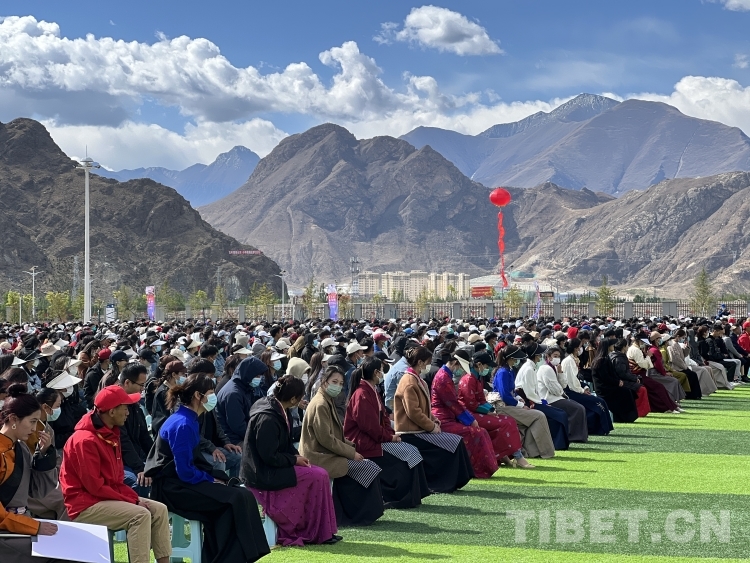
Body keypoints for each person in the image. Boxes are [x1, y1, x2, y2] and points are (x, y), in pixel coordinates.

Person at [145, 373, 270, 563]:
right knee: (234, 498)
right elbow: (185, 471)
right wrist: (210, 480)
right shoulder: (183, 423)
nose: (214, 396)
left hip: (182, 482)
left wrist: (213, 479)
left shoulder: (190, 419)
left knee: (241, 494)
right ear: (198, 395)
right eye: (211, 392)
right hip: (172, 488)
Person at [60, 386, 172, 563]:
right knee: (140, 515)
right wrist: (133, 501)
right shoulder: (84, 440)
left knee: (159, 510)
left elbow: (116, 480)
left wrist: (133, 499)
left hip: (103, 498)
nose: (128, 412)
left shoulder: (110, 433)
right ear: (112, 412)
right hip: (84, 505)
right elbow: (95, 487)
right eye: (125, 408)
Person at [243, 375, 339, 546]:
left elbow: (285, 445)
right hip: (263, 473)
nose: (302, 400)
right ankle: (312, 531)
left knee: (319, 474)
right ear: (293, 399)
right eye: (300, 397)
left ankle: (323, 531)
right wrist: (294, 460)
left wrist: (297, 457)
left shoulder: (279, 409)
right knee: (319, 476)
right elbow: (269, 456)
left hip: (272, 467)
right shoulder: (267, 418)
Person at [0, 384, 87, 563]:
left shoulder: (21, 447)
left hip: (20, 524)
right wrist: (34, 526)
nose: (35, 428)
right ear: (13, 419)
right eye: (32, 421)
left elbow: (37, 491)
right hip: (7, 532)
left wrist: (44, 455)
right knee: (65, 555)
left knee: (75, 547)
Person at [300, 366, 384, 526]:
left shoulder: (326, 400)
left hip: (327, 453)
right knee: (368, 468)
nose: (337, 386)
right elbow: (326, 439)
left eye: (340, 383)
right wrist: (351, 453)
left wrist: (352, 447)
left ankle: (359, 513)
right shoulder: (320, 404)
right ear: (324, 382)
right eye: (334, 382)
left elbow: (334, 437)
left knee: (369, 466)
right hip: (319, 457)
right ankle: (356, 515)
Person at [344, 357, 430, 508]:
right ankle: (399, 497)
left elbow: (383, 418)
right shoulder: (362, 394)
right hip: (363, 441)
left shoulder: (371, 390)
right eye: (381, 370)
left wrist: (391, 435)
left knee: (412, 451)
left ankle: (413, 496)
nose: (383, 373)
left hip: (374, 438)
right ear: (375, 372)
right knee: (406, 457)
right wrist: (389, 437)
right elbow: (369, 427)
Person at [393, 345, 473, 493]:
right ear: (420, 363)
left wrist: (434, 420)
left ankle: (453, 481)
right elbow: (414, 413)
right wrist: (431, 427)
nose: (429, 366)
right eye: (427, 362)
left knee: (456, 441)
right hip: (411, 432)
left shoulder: (417, 379)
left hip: (419, 429)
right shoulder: (409, 382)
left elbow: (424, 409)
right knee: (453, 443)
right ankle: (442, 483)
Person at [458, 351, 534, 468]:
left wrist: (491, 409)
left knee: (508, 421)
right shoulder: (469, 379)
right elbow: (471, 404)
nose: (488, 369)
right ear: (479, 364)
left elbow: (481, 399)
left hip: (476, 412)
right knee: (507, 423)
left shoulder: (477, 377)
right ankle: (518, 457)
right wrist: (488, 411)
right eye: (487, 366)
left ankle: (504, 456)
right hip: (469, 415)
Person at [491, 345, 556, 459]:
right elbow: (504, 395)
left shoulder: (509, 370)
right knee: (539, 416)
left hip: (509, 405)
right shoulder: (503, 372)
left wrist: (518, 398)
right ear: (511, 358)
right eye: (516, 358)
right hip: (503, 407)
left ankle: (530, 451)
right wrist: (521, 405)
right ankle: (545, 451)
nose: (518, 360)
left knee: (532, 419)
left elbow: (511, 391)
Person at [515, 344, 570, 450]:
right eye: (539, 354)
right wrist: (541, 403)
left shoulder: (531, 367)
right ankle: (557, 444)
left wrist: (542, 401)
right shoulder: (528, 369)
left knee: (560, 413)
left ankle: (557, 443)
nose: (541, 356)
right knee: (560, 414)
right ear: (535, 355)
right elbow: (529, 393)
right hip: (529, 402)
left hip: (534, 399)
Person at [23, 387, 67, 519]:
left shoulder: (47, 428)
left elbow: (56, 459)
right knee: (66, 501)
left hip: (49, 478)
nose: (59, 410)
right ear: (45, 407)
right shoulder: (26, 430)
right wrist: (43, 451)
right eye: (57, 406)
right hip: (31, 483)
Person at [215, 356, 268, 445]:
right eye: (257, 376)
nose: (259, 378)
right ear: (248, 374)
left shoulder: (244, 386)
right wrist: (258, 437)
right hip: (233, 439)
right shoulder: (233, 394)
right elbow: (238, 426)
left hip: (243, 433)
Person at [627, 338, 680, 413]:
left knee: (657, 388)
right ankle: (667, 407)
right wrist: (648, 356)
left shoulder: (636, 349)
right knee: (659, 387)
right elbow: (643, 364)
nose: (644, 344)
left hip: (641, 374)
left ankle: (671, 406)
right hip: (638, 375)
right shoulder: (636, 350)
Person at [608, 339, 650, 420]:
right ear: (624, 347)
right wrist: (634, 378)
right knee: (641, 389)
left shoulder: (617, 356)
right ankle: (639, 411)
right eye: (627, 345)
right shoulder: (618, 358)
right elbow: (622, 373)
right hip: (620, 381)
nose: (628, 347)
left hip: (622, 379)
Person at [150, 360, 186, 437]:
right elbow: (169, 414)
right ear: (174, 374)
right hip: (164, 432)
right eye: (182, 374)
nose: (185, 377)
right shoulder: (164, 392)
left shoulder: (174, 388)